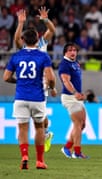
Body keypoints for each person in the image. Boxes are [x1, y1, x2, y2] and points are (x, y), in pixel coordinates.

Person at [3, 28, 56, 169]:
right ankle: (39, 161)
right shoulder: (43, 56)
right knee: (39, 128)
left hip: (21, 97)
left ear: (23, 40)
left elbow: (6, 77)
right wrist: (51, 87)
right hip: (37, 97)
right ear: (38, 40)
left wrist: (19, 81)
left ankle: (25, 156)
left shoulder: (16, 56)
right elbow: (50, 78)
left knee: (22, 129)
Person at [14, 7, 56, 153]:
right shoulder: (25, 47)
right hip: (28, 84)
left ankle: (46, 132)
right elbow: (16, 40)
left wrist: (45, 20)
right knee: (39, 117)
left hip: (41, 85)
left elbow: (52, 30)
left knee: (38, 118)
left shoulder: (43, 43)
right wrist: (20, 23)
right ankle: (47, 132)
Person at [59, 43, 89, 159]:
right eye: (70, 50)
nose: (73, 52)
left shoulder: (75, 63)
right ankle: (76, 152)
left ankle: (67, 147)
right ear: (65, 53)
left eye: (75, 50)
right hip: (70, 97)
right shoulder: (64, 64)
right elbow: (66, 81)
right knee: (77, 123)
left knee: (82, 125)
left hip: (77, 97)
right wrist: (75, 92)